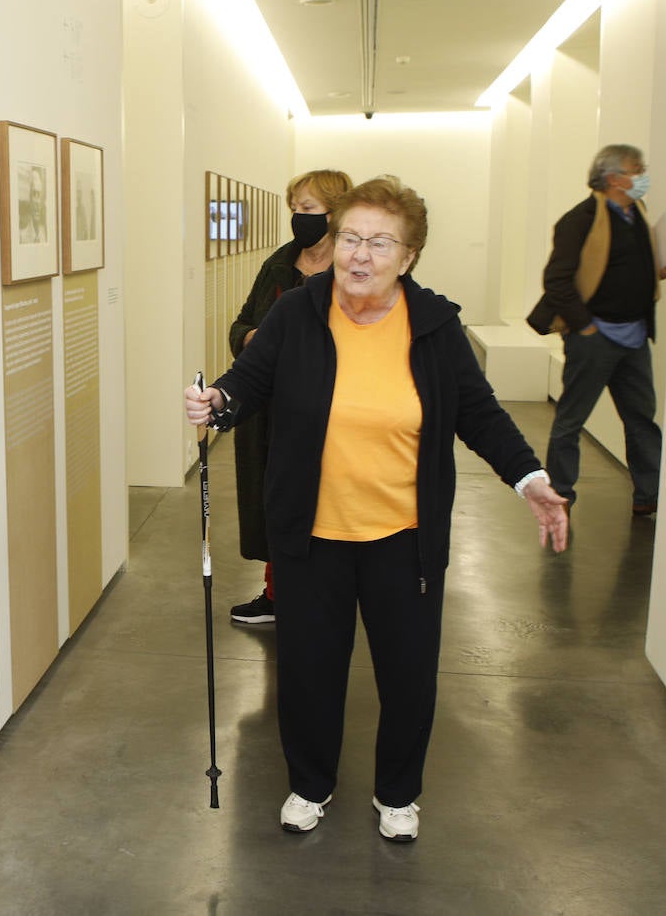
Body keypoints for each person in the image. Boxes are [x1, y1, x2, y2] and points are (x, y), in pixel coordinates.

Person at [185, 176, 568, 842]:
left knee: (408, 674)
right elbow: (247, 384)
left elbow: (479, 413)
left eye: (379, 242)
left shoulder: (436, 327)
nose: (360, 255)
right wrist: (215, 401)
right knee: (308, 671)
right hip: (312, 535)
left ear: (409, 255)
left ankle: (398, 792)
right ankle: (309, 783)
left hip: (403, 537)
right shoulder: (298, 313)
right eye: (351, 238)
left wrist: (528, 476)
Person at [227, 169, 353, 625]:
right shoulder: (278, 265)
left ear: (335, 213)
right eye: (295, 209)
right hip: (270, 406)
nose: (298, 218)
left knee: (323, 500)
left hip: (327, 409)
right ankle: (278, 593)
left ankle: (319, 595)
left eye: (308, 209)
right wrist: (250, 338)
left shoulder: (350, 269)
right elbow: (240, 323)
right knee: (275, 499)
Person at [527, 144, 666, 515]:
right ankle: (560, 493)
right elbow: (557, 281)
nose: (643, 175)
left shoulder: (636, 213)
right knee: (571, 420)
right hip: (595, 339)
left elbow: (623, 268)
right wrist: (586, 328)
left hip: (635, 337)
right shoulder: (580, 219)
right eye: (636, 169)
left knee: (641, 419)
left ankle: (649, 495)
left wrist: (656, 270)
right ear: (614, 179)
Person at [20, 166, 47, 243]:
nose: (37, 202)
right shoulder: (23, 237)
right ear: (29, 198)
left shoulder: (43, 234)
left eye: (39, 195)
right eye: (34, 194)